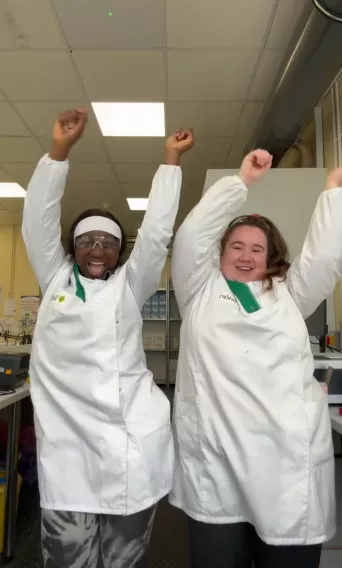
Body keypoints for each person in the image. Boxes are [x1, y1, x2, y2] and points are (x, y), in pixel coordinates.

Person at [22, 108, 194, 568]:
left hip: (130, 449)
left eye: (108, 242)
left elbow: (156, 236)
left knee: (124, 563)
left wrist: (170, 161)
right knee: (67, 561)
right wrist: (59, 151)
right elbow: (36, 220)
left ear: (120, 251)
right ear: (72, 247)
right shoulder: (55, 279)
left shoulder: (129, 287)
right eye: (87, 240)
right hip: (68, 451)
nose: (97, 249)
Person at [170, 148, 342, 568]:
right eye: (236, 247)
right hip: (218, 463)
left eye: (257, 250)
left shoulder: (289, 294)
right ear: (220, 252)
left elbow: (323, 259)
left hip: (285, 465)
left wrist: (334, 193)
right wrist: (240, 184)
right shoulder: (198, 290)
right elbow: (191, 236)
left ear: (271, 257)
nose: (246, 257)